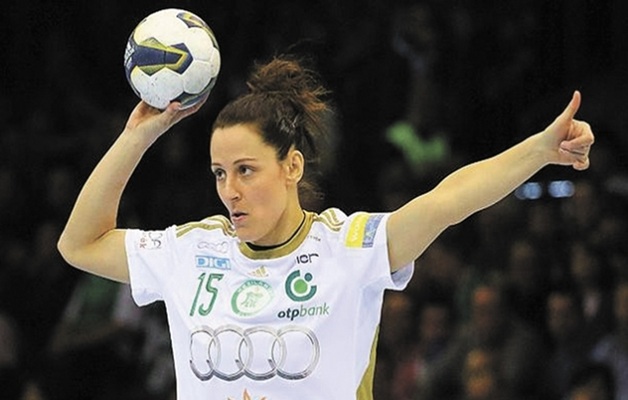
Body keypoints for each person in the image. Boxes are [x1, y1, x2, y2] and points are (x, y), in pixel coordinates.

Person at [57, 55, 594, 400]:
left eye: (246, 170)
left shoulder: (348, 248)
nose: (229, 190)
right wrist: (137, 137)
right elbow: (79, 243)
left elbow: (447, 201)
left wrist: (539, 151)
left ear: (292, 166)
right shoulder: (192, 251)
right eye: (220, 173)